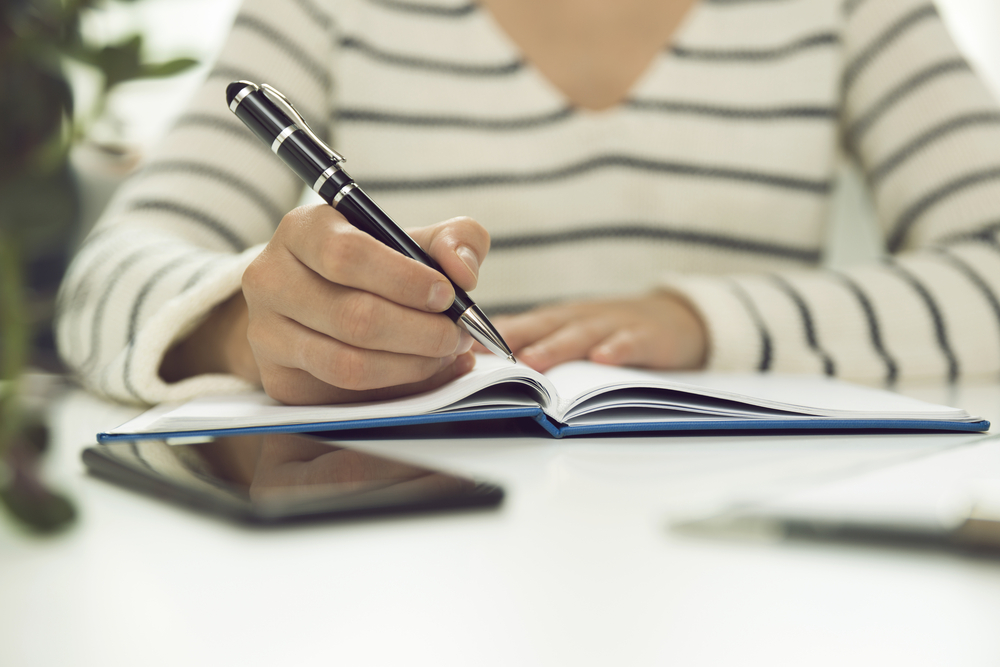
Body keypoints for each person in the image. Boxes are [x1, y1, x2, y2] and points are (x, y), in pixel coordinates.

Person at [56, 0, 1000, 406]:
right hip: (398, 567)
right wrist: (251, 331)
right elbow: (103, 282)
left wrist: (704, 321)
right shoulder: (325, 12)